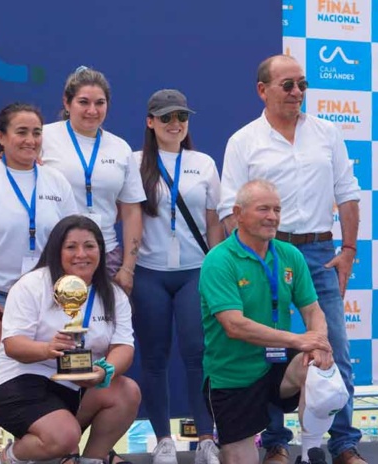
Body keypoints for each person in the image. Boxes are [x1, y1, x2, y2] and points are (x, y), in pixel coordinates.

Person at [217, 55, 363, 464]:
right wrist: (248, 261)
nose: (297, 92)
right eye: (287, 85)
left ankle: (344, 444)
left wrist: (348, 250)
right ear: (263, 90)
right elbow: (231, 207)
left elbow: (347, 192)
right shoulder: (243, 140)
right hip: (266, 253)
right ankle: (276, 443)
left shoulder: (327, 132)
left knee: (333, 347)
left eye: (302, 84)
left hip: (318, 251)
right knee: (269, 353)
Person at [0, 103, 79, 464]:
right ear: (2, 136)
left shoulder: (55, 181)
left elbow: (71, 239)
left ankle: (38, 447)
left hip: (47, 298)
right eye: (21, 132)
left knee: (47, 371)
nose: (30, 140)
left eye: (36, 132)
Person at [200, 180, 338, 464]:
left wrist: (319, 342)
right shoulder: (219, 260)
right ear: (238, 213)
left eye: (277, 209)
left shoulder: (289, 254)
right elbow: (234, 325)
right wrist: (299, 340)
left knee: (320, 369)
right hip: (233, 373)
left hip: (275, 365)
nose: (273, 216)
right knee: (240, 458)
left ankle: (310, 453)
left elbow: (313, 310)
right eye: (263, 209)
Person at [0, 214, 141, 464]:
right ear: (57, 250)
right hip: (21, 380)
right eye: (71, 247)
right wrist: (47, 349)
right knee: (64, 436)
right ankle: (3, 460)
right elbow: (13, 345)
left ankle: (93, 458)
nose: (82, 254)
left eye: (89, 246)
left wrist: (103, 373)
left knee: (127, 391)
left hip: (77, 384)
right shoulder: (32, 285)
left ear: (100, 250)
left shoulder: (113, 294)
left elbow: (123, 347)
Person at [131, 89, 223, 464]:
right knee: (153, 358)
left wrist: (218, 266)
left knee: (198, 356)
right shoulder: (135, 162)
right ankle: (163, 440)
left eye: (181, 117)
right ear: (150, 122)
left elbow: (214, 221)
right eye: (166, 117)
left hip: (194, 273)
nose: (175, 124)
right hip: (149, 273)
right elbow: (129, 215)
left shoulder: (203, 163)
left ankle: (205, 439)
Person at [41, 66, 145, 295]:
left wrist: (128, 267)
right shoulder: (43, 137)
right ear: (67, 103)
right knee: (56, 329)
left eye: (99, 103)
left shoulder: (120, 148)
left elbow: (131, 211)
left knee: (102, 328)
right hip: (55, 254)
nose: (92, 110)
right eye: (83, 102)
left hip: (105, 257)